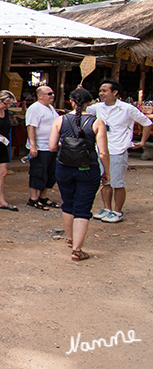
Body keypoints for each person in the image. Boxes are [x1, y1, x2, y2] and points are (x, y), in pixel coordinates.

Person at [49, 88, 110, 261]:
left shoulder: (60, 120)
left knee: (68, 203)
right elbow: (103, 153)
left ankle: (70, 238)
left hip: (64, 167)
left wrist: (68, 147)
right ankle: (77, 249)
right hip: (88, 168)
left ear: (71, 101)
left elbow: (52, 147)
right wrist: (107, 172)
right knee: (83, 208)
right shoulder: (97, 122)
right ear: (89, 103)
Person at [87, 80, 152, 223]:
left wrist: (142, 142)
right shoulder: (96, 107)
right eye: (100, 91)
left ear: (115, 92)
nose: (101, 94)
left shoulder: (127, 108)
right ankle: (106, 208)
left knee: (117, 183)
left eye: (105, 91)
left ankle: (117, 211)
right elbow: (83, 110)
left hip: (118, 150)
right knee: (104, 181)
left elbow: (147, 123)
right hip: (101, 149)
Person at [25, 85, 60, 210]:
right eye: (49, 94)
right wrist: (33, 146)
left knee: (50, 172)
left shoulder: (50, 107)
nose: (52, 96)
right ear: (40, 95)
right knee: (38, 171)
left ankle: (43, 196)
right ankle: (33, 198)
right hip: (40, 146)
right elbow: (31, 127)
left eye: (52, 93)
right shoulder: (35, 108)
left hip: (51, 145)